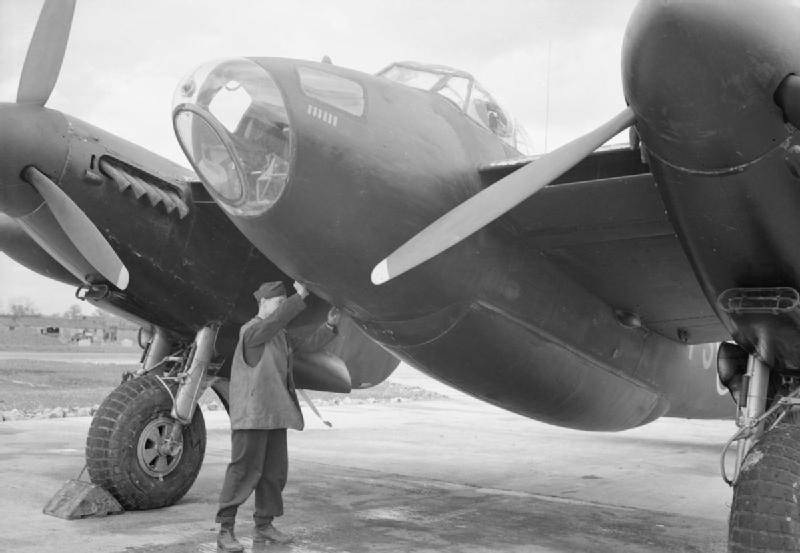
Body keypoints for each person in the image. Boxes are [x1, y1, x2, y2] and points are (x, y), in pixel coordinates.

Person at [216, 280, 340, 552]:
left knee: (274, 473)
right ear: (263, 304)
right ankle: (226, 529)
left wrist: (329, 326)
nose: (282, 308)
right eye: (278, 303)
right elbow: (273, 323)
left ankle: (264, 525)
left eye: (284, 304)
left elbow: (308, 345)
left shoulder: (279, 334)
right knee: (243, 471)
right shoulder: (251, 331)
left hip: (275, 414)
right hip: (252, 416)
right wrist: (300, 297)